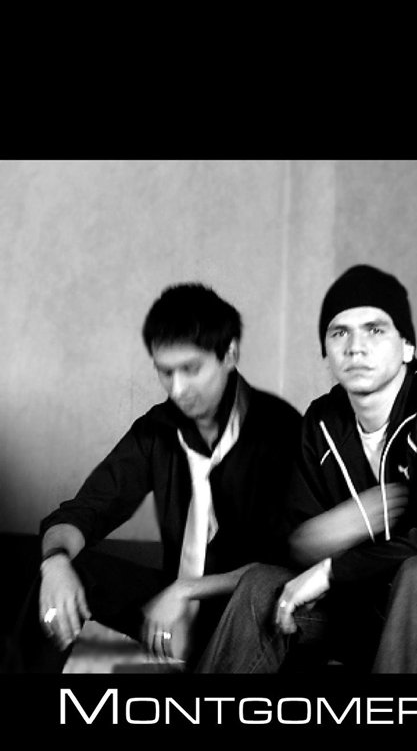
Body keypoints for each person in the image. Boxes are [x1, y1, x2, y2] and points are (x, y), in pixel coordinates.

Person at [197, 264, 417, 673]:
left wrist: (333, 568)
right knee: (262, 586)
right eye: (339, 333)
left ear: (407, 346)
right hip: (360, 603)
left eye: (375, 330)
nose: (356, 347)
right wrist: (337, 530)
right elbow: (295, 539)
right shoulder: (322, 420)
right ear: (326, 352)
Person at [1, 283, 301, 673]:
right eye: (165, 372)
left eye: (191, 370)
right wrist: (55, 564)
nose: (178, 389)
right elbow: (88, 509)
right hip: (168, 611)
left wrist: (187, 590)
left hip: (239, 613)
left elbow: (283, 568)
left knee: (257, 596)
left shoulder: (279, 430)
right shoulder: (157, 430)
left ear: (229, 354)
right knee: (61, 573)